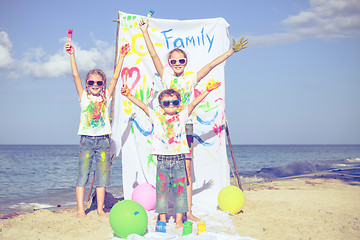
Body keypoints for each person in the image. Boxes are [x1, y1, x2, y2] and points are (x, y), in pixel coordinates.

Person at [139, 18, 248, 221]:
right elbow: (153, 54)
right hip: (165, 130)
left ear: (186, 62)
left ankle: (187, 211)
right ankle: (162, 211)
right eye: (174, 61)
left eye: (181, 60)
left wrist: (231, 51)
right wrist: (145, 31)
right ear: (169, 64)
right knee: (164, 170)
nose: (178, 64)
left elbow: (211, 65)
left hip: (185, 128)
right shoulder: (166, 77)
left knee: (186, 170)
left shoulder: (190, 79)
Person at [121, 79, 221, 229]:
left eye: (174, 103)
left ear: (179, 104)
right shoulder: (156, 116)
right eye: (166, 103)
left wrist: (208, 90)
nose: (171, 106)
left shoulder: (182, 116)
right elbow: (142, 106)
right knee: (162, 192)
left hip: (179, 160)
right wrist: (128, 95)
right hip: (162, 161)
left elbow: (193, 104)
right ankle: (162, 219)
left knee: (180, 192)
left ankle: (179, 220)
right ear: (160, 106)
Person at [65, 42, 130, 218]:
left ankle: (100, 209)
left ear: (103, 84)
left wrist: (122, 56)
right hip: (86, 140)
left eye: (98, 82)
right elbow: (75, 75)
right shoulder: (84, 97)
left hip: (103, 141)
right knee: (82, 176)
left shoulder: (106, 97)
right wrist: (72, 54)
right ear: (87, 83)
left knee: (102, 177)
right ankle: (80, 210)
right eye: (91, 82)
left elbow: (116, 76)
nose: (95, 84)